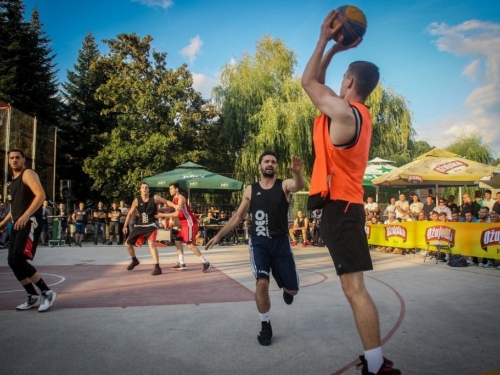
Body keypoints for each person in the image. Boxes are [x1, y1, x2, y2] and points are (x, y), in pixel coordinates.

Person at [301, 11, 400, 374]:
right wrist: (335, 52)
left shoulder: (344, 116)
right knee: (352, 287)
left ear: (349, 81)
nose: (336, 83)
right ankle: (375, 361)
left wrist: (325, 39)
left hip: (341, 209)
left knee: (355, 288)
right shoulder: (355, 113)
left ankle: (377, 366)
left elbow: (309, 82)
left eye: (341, 79)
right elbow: (320, 84)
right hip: (342, 208)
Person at [206, 151, 305, 347]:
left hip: (280, 242)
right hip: (259, 242)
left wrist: (297, 173)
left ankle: (286, 286)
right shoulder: (251, 190)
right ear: (260, 166)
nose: (270, 164)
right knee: (261, 283)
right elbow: (236, 217)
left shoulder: (283, 185)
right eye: (266, 161)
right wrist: (218, 235)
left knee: (293, 290)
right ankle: (265, 325)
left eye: (273, 162)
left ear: (276, 166)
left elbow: (298, 185)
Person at [0, 150, 56, 311]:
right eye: (12, 158)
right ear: (8, 161)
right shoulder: (13, 181)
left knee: (18, 258)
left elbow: (40, 195)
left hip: (29, 221)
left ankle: (47, 292)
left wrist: (25, 216)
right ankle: (32, 295)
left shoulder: (28, 174)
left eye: (18, 157)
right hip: (17, 222)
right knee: (12, 261)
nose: (15, 160)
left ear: (24, 160)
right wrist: (3, 223)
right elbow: (14, 207)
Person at [156, 182, 211, 272]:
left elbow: (176, 213)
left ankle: (206, 262)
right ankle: (182, 264)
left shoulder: (181, 198)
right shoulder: (175, 198)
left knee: (190, 245)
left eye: (171, 189)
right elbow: (170, 208)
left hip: (190, 223)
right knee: (177, 242)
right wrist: (158, 209)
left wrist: (161, 214)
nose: (169, 190)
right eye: (169, 189)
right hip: (185, 224)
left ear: (176, 189)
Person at [123, 182, 173, 276]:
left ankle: (157, 267)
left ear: (148, 189)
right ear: (140, 190)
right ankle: (135, 260)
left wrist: (174, 206)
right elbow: (130, 213)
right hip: (140, 225)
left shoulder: (154, 197)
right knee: (127, 244)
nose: (145, 189)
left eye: (146, 187)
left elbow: (166, 202)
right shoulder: (137, 200)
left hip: (151, 225)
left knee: (151, 243)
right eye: (143, 187)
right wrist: (125, 225)